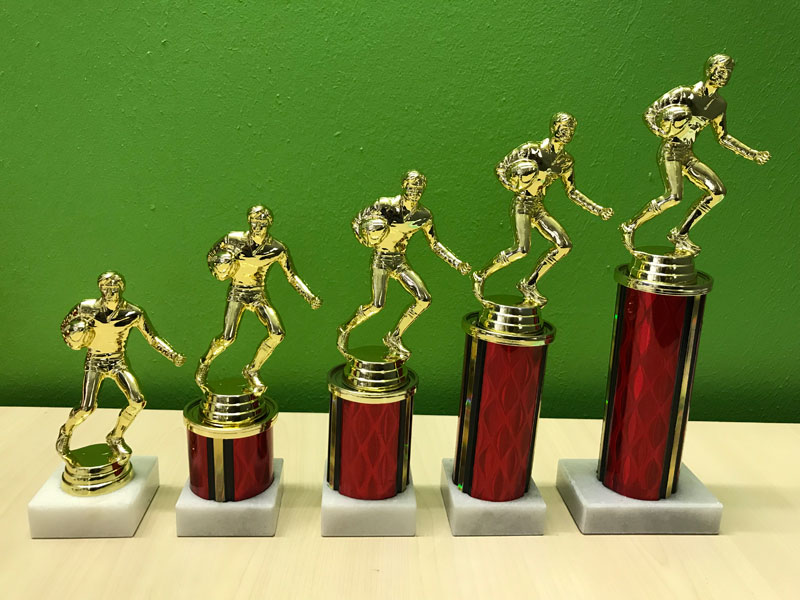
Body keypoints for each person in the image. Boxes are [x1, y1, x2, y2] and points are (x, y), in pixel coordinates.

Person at [621, 54, 770, 256]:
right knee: (674, 197)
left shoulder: (718, 105)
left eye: (728, 72)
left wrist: (752, 154)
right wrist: (661, 132)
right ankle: (630, 226)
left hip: (687, 154)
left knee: (717, 192)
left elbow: (723, 137)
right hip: (671, 151)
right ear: (709, 70)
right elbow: (650, 112)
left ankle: (680, 233)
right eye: (720, 70)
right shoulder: (684, 94)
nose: (723, 75)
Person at [472, 113, 613, 307]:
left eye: (571, 129)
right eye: (563, 127)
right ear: (553, 127)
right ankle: (481, 275)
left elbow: (572, 192)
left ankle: (529, 284)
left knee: (564, 245)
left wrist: (598, 209)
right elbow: (501, 168)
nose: (567, 132)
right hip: (522, 203)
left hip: (537, 206)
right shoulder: (531, 150)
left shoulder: (565, 161)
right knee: (521, 249)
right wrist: (513, 186)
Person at [337, 171, 470, 360]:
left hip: (399, 261)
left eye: (418, 188)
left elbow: (435, 245)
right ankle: (345, 329)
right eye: (411, 187)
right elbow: (357, 221)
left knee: (424, 299)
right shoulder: (385, 205)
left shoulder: (424, 216)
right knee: (377, 305)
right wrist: (365, 239)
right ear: (404, 186)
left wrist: (456, 263)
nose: (414, 191)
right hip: (381, 259)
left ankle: (394, 337)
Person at [57, 271, 185, 464]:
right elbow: (65, 326)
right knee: (86, 408)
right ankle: (65, 432)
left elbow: (152, 338)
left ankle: (116, 436)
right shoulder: (86, 307)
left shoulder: (133, 313)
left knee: (137, 401)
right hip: (94, 361)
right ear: (100, 288)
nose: (110, 291)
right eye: (106, 287)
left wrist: (172, 354)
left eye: (114, 287)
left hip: (117, 362)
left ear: (121, 288)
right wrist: (74, 339)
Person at [196, 206, 321, 395]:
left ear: (269, 223)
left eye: (261, 223)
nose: (257, 226)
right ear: (249, 221)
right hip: (237, 292)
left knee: (277, 333)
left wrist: (309, 296)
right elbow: (211, 255)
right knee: (227, 338)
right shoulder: (233, 239)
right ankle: (204, 363)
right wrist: (219, 270)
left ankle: (252, 370)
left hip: (257, 294)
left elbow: (291, 276)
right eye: (254, 222)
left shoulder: (277, 249)